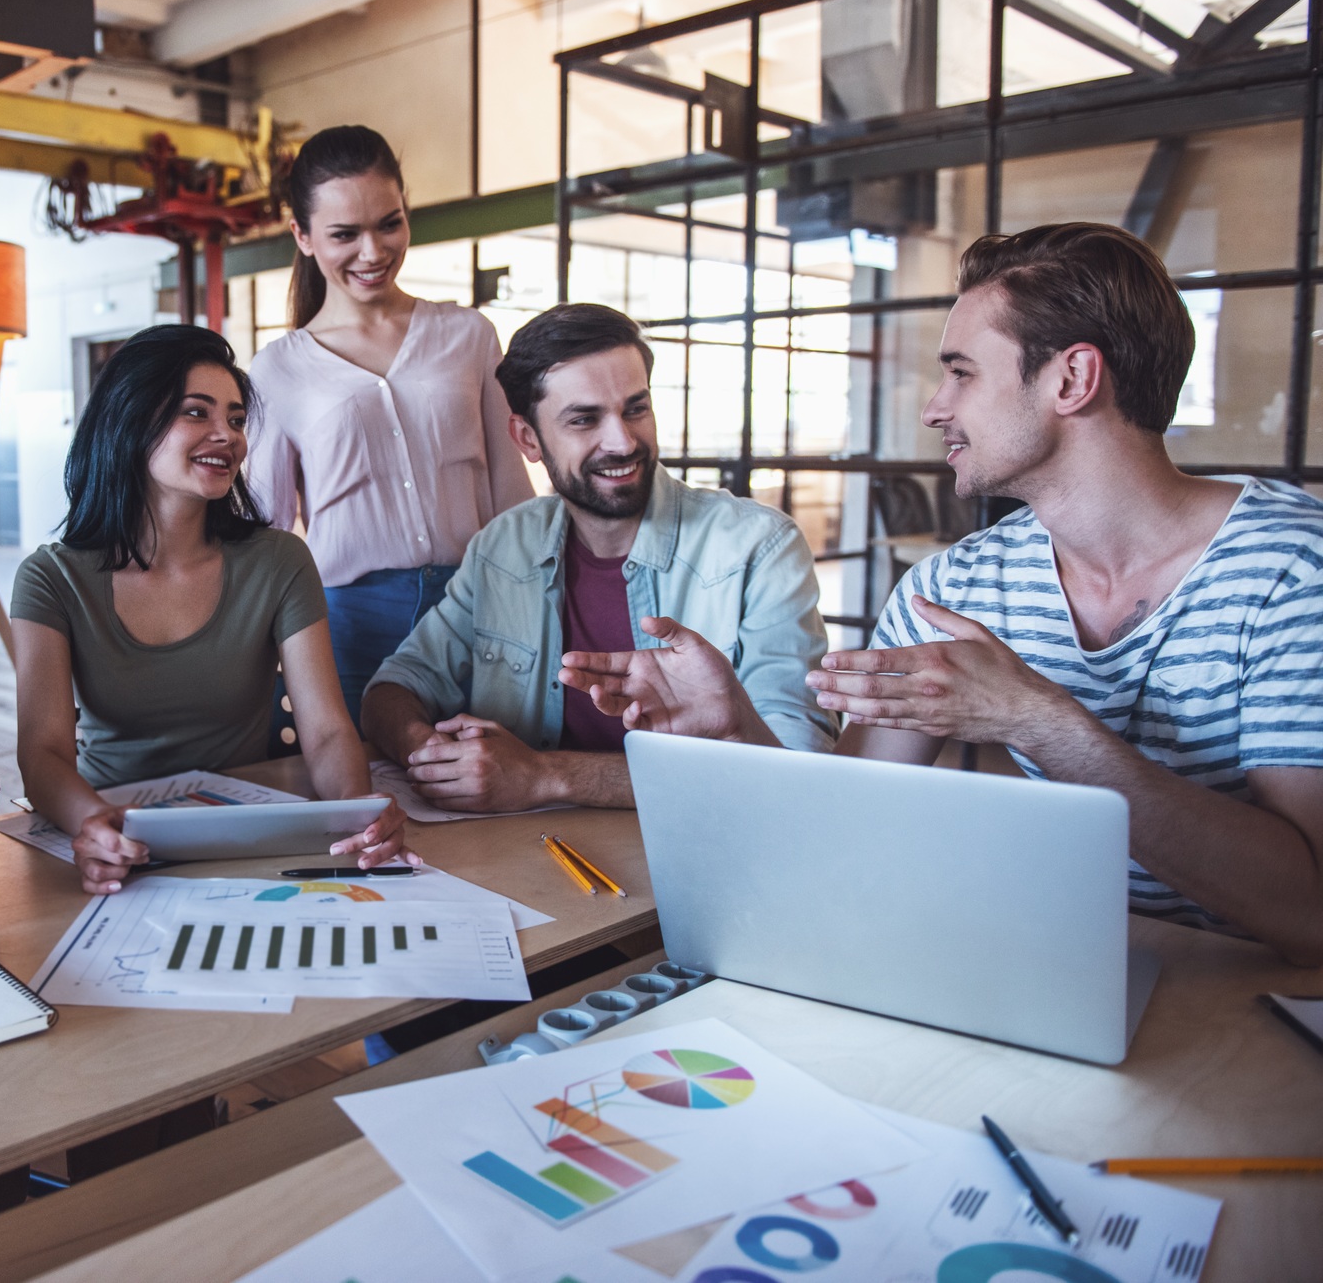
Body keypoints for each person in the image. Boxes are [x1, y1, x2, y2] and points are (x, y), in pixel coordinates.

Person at [562, 223, 1323, 966]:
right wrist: (736, 732)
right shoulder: (954, 585)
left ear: (1072, 379)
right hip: (1060, 972)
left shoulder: (1295, 567)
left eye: (962, 372)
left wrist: (1038, 719)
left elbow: (1309, 914)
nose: (934, 407)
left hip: (1254, 1009)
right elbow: (842, 826)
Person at [361, 303, 835, 814]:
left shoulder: (759, 548)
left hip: (704, 846)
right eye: (585, 419)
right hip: (523, 854)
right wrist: (432, 755)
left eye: (636, 408)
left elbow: (797, 766)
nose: (622, 441)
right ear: (527, 439)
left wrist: (547, 777)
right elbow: (394, 689)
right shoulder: (502, 546)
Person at [11, 324, 409, 894]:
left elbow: (324, 730)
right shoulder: (52, 577)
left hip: (247, 829)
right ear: (130, 422)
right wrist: (91, 824)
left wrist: (355, 813)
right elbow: (43, 752)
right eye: (197, 413)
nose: (228, 436)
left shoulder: (278, 559)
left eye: (238, 419)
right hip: (109, 830)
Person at [248, 125, 534, 720]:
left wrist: (534, 601)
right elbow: (264, 536)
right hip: (348, 625)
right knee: (368, 798)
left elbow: (511, 489)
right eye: (344, 234)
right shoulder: (277, 370)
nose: (373, 251)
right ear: (301, 235)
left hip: (478, 605)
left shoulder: (469, 336)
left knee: (486, 787)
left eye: (389, 223)